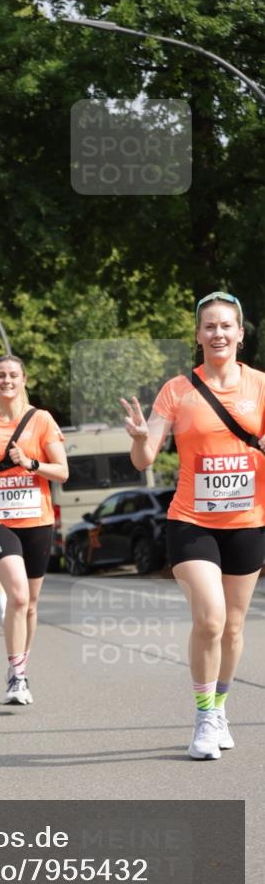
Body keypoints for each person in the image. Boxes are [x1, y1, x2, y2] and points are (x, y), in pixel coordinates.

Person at [121, 291, 265, 760]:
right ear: (198, 334)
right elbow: (145, 457)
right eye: (209, 326)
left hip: (248, 521)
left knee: (235, 627)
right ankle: (204, 718)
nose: (218, 333)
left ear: (241, 334)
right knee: (211, 617)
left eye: (227, 326)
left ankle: (220, 708)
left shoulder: (261, 386)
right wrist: (143, 440)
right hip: (191, 521)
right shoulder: (177, 390)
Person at [0, 355, 68, 705]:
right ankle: (16, 676)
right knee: (16, 595)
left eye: (13, 374)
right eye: (0, 375)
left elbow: (62, 471)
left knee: (30, 604)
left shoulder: (42, 420)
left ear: (24, 379)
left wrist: (31, 464)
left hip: (37, 519)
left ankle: (22, 667)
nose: (7, 380)